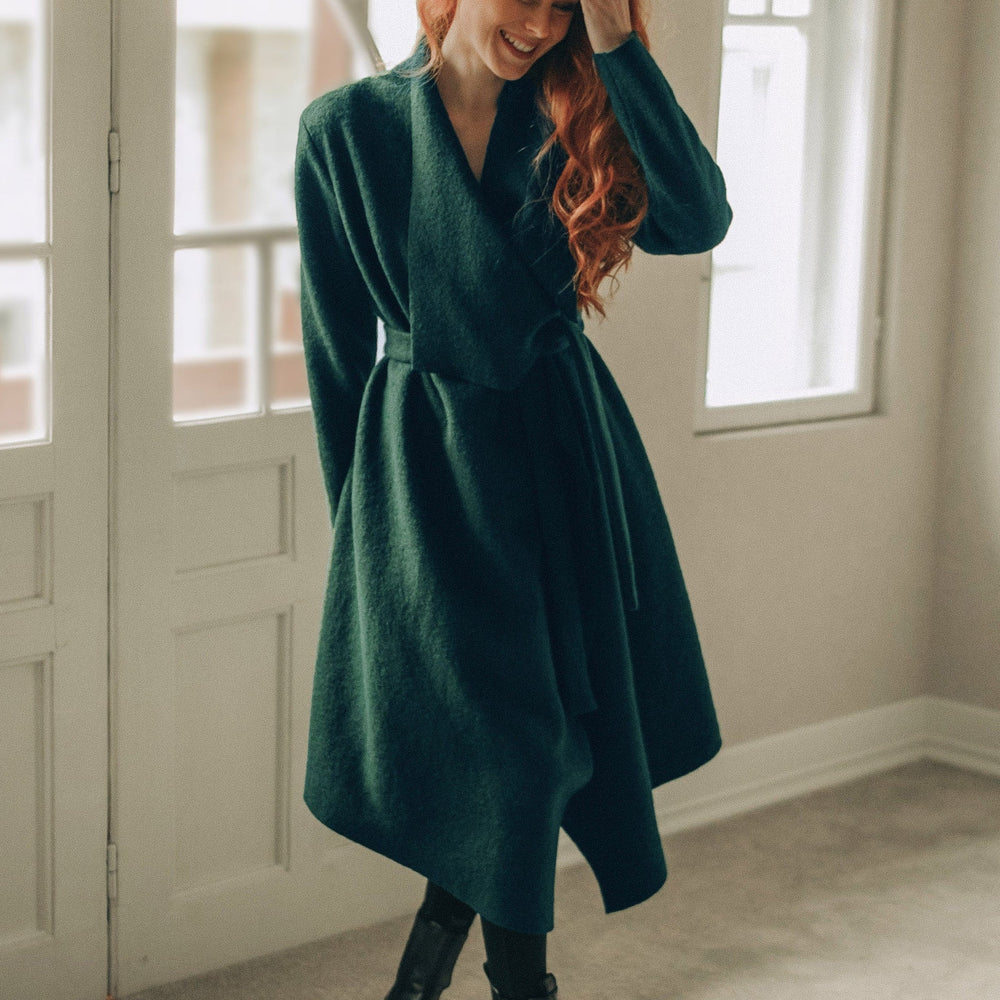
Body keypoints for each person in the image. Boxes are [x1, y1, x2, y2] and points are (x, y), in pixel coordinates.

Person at [294, 1, 731, 997]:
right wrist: (361, 544)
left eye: (566, 2)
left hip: (563, 461)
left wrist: (618, 48)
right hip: (424, 482)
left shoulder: (578, 109)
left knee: (530, 751)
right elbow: (332, 354)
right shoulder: (346, 127)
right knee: (512, 757)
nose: (540, 21)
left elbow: (696, 219)